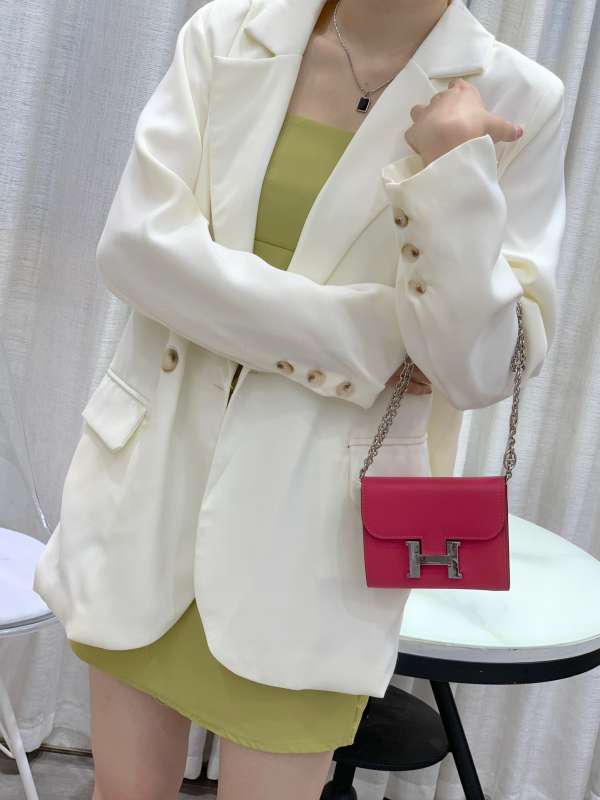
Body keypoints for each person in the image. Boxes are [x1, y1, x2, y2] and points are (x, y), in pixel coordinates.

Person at [32, 0, 566, 798]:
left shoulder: (517, 97)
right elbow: (137, 251)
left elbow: (484, 366)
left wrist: (453, 173)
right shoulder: (227, 33)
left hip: (313, 543)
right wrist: (376, 339)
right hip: (152, 499)